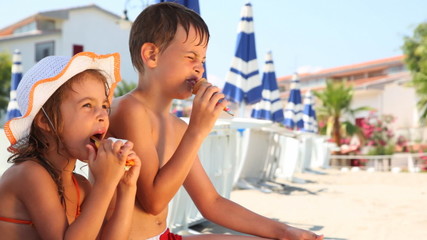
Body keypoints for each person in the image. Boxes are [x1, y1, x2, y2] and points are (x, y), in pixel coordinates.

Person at [108, 2, 323, 240]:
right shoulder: (128, 110)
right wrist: (197, 131)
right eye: (191, 57)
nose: (200, 68)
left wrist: (284, 231)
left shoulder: (177, 127)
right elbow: (153, 202)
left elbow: (211, 202)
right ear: (152, 55)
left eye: (202, 60)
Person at [0, 52, 141, 240]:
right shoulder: (29, 174)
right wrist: (104, 184)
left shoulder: (80, 186)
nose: (102, 115)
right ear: (46, 122)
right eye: (88, 105)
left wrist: (126, 188)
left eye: (105, 105)